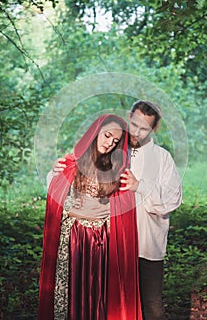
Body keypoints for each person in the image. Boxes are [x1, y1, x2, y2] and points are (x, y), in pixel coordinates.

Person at [51, 101, 183, 320]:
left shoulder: (162, 158)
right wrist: (58, 168)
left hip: (146, 245)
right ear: (128, 117)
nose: (136, 132)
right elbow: (79, 173)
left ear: (153, 130)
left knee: (152, 307)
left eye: (144, 128)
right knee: (112, 306)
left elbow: (173, 199)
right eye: (134, 124)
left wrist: (140, 186)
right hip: (111, 245)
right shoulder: (110, 148)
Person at [37, 114, 142, 320]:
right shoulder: (71, 164)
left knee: (98, 292)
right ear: (95, 133)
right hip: (73, 238)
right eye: (107, 136)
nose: (109, 144)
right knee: (72, 289)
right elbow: (55, 193)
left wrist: (136, 186)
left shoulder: (118, 172)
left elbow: (125, 212)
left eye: (115, 142)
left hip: (102, 241)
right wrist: (54, 172)